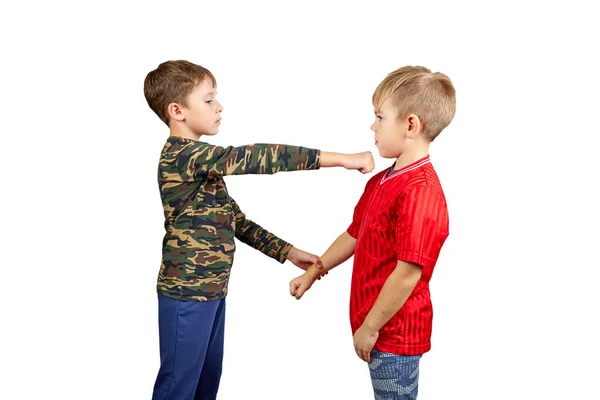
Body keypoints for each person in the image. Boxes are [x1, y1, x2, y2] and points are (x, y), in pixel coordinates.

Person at [144, 60, 375, 400]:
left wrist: (289, 252)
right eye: (208, 100)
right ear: (177, 110)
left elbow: (235, 221)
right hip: (186, 294)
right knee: (177, 388)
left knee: (206, 384)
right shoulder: (183, 157)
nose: (219, 106)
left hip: (211, 291)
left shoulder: (202, 164)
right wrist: (341, 159)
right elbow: (259, 157)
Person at [289, 65, 456, 400]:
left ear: (411, 125)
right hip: (378, 329)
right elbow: (354, 235)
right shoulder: (382, 181)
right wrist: (313, 270)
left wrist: (371, 327)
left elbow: (408, 274)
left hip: (394, 333)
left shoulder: (421, 192)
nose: (372, 126)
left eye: (380, 117)